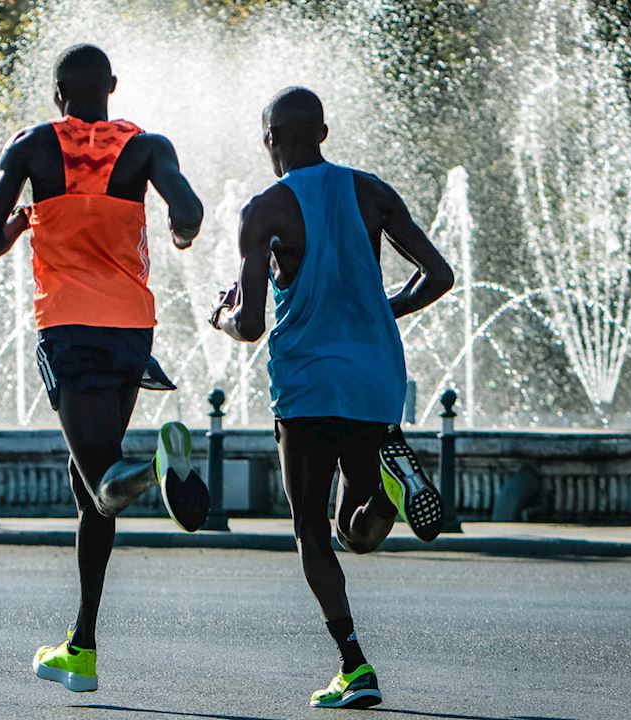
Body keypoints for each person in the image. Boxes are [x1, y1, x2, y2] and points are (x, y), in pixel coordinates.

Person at [0, 43, 208, 694]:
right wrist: (180, 237)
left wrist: (23, 227)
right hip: (131, 328)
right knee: (90, 494)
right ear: (110, 86)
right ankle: (82, 647)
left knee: (101, 479)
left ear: (58, 94)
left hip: (67, 327)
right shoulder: (147, 146)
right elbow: (187, 215)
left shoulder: (31, 147)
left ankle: (159, 466)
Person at [210, 86, 454, 709]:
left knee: (311, 531)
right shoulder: (369, 191)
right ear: (323, 131)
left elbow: (253, 323)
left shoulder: (265, 210)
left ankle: (354, 666)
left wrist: (221, 317)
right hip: (375, 381)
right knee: (357, 528)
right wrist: (382, 308)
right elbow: (440, 274)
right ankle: (385, 492)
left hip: (308, 386)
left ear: (270, 140)